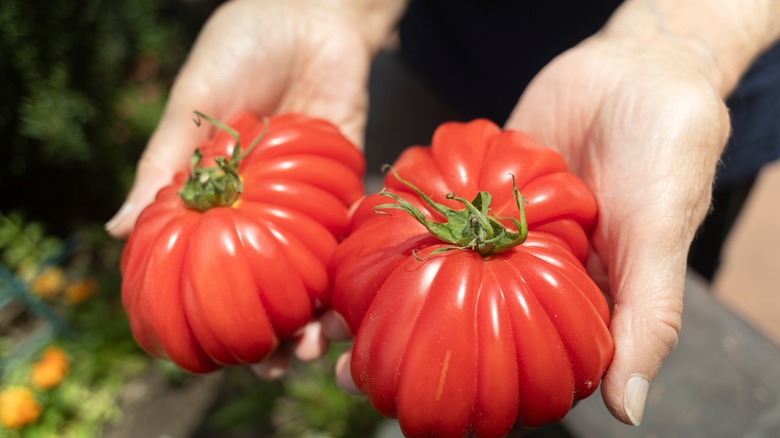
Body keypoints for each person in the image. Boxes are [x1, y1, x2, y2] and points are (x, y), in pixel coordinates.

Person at [104, 0, 780, 427]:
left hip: (684, 82)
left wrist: (681, 41)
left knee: (662, 249)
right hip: (454, 46)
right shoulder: (426, 214)